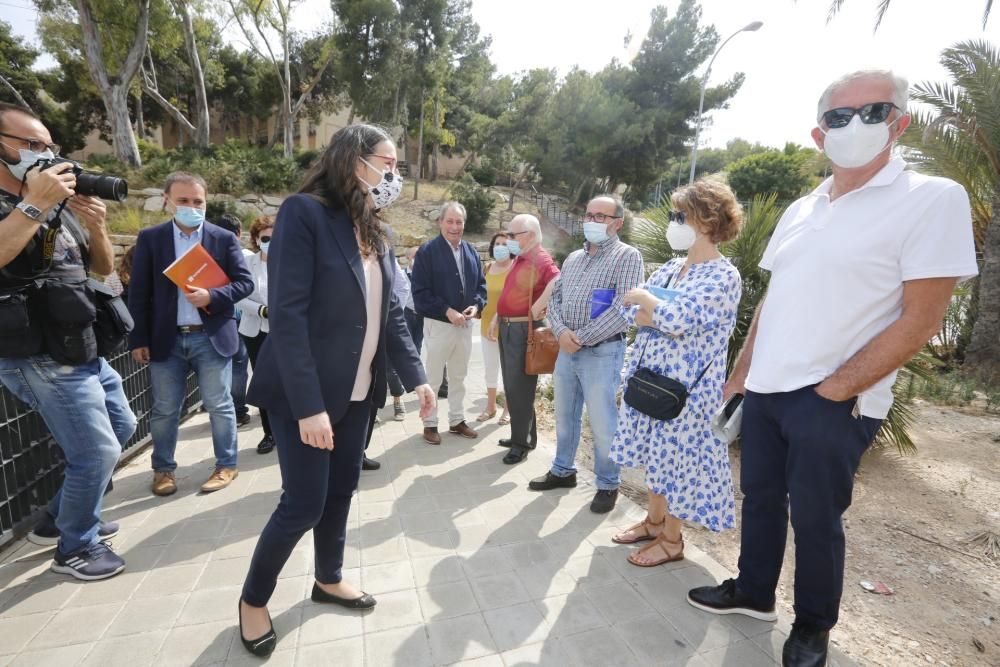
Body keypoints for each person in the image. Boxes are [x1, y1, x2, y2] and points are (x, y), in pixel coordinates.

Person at [686, 70, 979, 667]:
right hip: (767, 390)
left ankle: (813, 625)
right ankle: (753, 591)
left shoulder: (932, 197)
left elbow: (923, 319)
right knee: (760, 498)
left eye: (872, 111)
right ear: (819, 135)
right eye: (839, 118)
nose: (854, 126)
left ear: (900, 121)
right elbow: (776, 297)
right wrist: (742, 373)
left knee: (818, 518)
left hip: (835, 398)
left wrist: (837, 388)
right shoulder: (802, 206)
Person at [238, 124, 434, 657]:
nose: (394, 174)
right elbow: (288, 315)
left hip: (360, 392)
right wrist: (308, 407)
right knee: (303, 503)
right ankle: (253, 600)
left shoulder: (377, 229)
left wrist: (415, 376)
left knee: (342, 492)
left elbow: (390, 313)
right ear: (353, 160)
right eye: (387, 163)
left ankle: (328, 577)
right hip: (310, 395)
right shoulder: (305, 213)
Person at [0, 102, 136, 580]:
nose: (44, 155)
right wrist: (33, 204)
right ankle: (76, 546)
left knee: (122, 426)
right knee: (96, 451)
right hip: (36, 353)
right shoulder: (29, 203)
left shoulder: (58, 205)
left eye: (49, 146)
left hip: (80, 341)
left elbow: (100, 269)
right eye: (30, 145)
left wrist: (96, 226)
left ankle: (60, 520)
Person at [609, 180, 742, 561]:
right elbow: (628, 311)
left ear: (704, 219)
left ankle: (671, 540)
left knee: (677, 464)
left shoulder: (723, 276)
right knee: (655, 454)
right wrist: (654, 312)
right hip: (651, 380)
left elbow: (678, 318)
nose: (673, 222)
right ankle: (652, 522)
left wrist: (651, 305)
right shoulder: (671, 268)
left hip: (687, 393)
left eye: (678, 215)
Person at [128, 172, 254, 497]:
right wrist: (138, 339)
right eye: (183, 200)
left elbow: (244, 283)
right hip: (165, 340)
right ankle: (163, 471)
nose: (191, 207)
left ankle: (227, 464)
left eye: (198, 201)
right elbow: (139, 293)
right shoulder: (151, 239)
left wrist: (213, 296)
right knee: (165, 408)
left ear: (206, 202)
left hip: (209, 336)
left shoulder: (222, 238)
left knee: (219, 404)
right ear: (168, 200)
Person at [533, 195, 644, 514]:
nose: (592, 221)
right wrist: (561, 331)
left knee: (603, 423)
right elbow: (556, 300)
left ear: (617, 223)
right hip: (567, 351)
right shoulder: (572, 260)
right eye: (589, 215)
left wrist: (579, 337)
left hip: (602, 353)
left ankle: (608, 483)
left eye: (601, 216)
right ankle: (562, 470)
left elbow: (626, 308)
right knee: (565, 414)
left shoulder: (627, 257)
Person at [411, 201, 487, 445]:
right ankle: (430, 424)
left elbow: (481, 287)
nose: (455, 226)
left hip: (465, 326)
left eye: (459, 222)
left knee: (459, 376)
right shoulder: (427, 252)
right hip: (439, 325)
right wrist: (447, 311)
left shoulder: (472, 252)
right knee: (433, 378)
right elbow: (420, 293)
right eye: (450, 221)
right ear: (440, 222)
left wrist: (477, 306)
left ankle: (456, 420)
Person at [486, 214, 560, 464]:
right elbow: (512, 293)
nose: (508, 240)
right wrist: (498, 315)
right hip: (509, 328)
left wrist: (539, 304)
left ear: (528, 235)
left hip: (522, 331)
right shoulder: (522, 258)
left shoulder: (538, 256)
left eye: (512, 235)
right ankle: (523, 435)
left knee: (519, 387)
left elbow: (558, 279)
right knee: (513, 384)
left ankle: (521, 443)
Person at [236, 215, 275, 454]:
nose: (272, 241)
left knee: (288, 381)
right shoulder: (247, 264)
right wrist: (261, 310)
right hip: (255, 331)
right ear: (256, 239)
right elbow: (238, 295)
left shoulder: (293, 262)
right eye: (266, 237)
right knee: (263, 383)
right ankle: (269, 432)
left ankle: (289, 428)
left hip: (285, 331)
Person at [217, 212, 253, 428]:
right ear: (240, 233)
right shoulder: (248, 256)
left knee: (220, 364)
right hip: (244, 317)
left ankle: (222, 408)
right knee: (240, 366)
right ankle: (238, 411)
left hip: (219, 318)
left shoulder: (209, 255)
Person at [477, 232, 512, 425]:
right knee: (490, 369)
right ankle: (490, 407)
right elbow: (480, 292)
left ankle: (507, 410)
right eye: (497, 243)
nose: (500, 247)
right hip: (485, 327)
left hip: (507, 327)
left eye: (505, 244)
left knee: (508, 370)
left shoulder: (516, 269)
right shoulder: (488, 267)